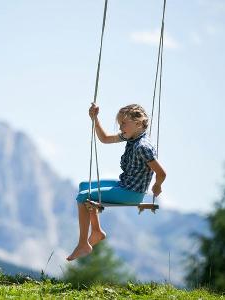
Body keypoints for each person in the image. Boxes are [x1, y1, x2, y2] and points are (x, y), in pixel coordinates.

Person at [67, 103, 166, 261]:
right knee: (83, 186)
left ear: (138, 122)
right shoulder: (132, 137)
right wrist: (95, 119)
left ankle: (83, 244)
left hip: (131, 194)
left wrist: (157, 185)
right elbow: (105, 138)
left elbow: (161, 173)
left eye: (123, 124)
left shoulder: (142, 146)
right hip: (124, 185)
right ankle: (97, 231)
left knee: (82, 197)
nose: (120, 128)